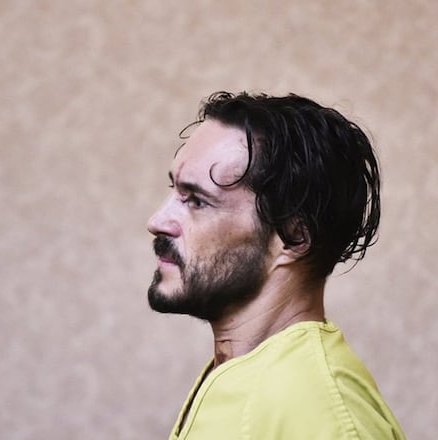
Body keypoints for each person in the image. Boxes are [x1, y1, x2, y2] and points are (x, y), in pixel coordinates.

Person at [147, 91, 405, 440]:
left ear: (293, 238)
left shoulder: (316, 407)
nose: (157, 220)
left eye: (197, 201)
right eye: (174, 190)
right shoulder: (248, 375)